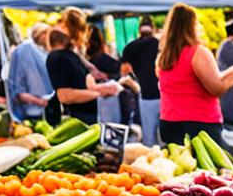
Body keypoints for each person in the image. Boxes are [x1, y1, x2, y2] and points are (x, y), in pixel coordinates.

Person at [156, 3, 233, 145]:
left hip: (169, 124)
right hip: (199, 127)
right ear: (192, 25)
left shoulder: (163, 57)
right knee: (206, 167)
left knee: (177, 166)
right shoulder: (198, 52)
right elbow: (216, 87)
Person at [46, 28, 117, 125]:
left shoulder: (70, 55)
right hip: (80, 120)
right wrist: (99, 94)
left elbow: (88, 79)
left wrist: (100, 89)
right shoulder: (57, 57)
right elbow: (65, 96)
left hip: (90, 116)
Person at [120, 16, 161, 145]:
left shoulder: (129, 48)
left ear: (139, 30)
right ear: (153, 28)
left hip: (145, 96)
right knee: (164, 139)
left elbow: (124, 71)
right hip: (164, 95)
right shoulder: (161, 45)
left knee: (149, 139)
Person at [6, 22, 52, 122]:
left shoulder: (44, 51)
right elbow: (19, 89)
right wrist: (40, 101)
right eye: (46, 34)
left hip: (47, 109)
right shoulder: (25, 50)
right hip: (31, 112)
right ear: (41, 34)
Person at [86, 25, 124, 125]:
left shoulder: (98, 59)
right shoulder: (100, 59)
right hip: (104, 107)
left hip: (102, 106)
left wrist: (106, 77)